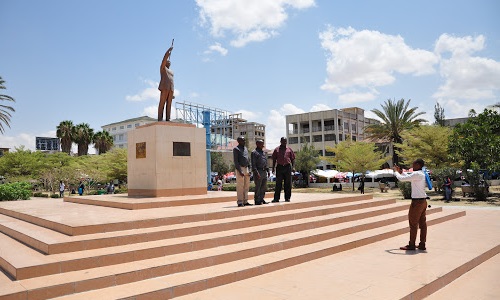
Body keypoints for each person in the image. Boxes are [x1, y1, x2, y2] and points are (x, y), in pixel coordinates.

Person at [393, 158, 428, 251]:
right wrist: (401, 172)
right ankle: (422, 244)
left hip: (417, 203)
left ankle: (411, 244)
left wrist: (396, 172)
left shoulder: (417, 174)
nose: (412, 166)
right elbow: (408, 176)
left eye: (414, 164)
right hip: (423, 201)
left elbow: (402, 179)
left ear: (418, 165)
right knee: (422, 224)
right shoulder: (420, 174)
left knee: (413, 224)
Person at [271, 137, 295, 203]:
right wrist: (273, 168)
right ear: (280, 141)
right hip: (279, 167)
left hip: (287, 167)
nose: (284, 142)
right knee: (278, 184)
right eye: (283, 141)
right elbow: (274, 159)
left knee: (288, 183)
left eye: (285, 141)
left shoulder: (289, 149)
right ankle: (276, 198)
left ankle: (287, 198)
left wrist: (293, 167)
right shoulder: (277, 149)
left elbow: (293, 159)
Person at [158, 40, 175, 121]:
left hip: (171, 89)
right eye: (167, 61)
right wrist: (169, 50)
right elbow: (164, 59)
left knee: (169, 104)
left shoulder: (171, 71)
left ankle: (168, 118)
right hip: (165, 87)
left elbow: (172, 81)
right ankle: (160, 118)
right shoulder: (163, 68)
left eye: (169, 61)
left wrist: (173, 92)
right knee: (162, 103)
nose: (169, 61)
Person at [233, 136, 251, 207]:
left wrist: (249, 169)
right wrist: (240, 171)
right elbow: (236, 161)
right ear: (239, 141)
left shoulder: (245, 148)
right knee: (240, 186)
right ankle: (240, 201)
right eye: (243, 140)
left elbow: (248, 159)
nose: (244, 141)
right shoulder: (236, 149)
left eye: (244, 140)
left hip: (246, 168)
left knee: (246, 185)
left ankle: (245, 200)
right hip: (240, 168)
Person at [251, 139, 269, 205]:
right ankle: (257, 200)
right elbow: (253, 164)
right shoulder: (254, 152)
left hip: (264, 171)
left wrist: (268, 170)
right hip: (258, 171)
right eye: (261, 144)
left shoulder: (263, 152)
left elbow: (265, 161)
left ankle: (262, 199)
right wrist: (256, 172)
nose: (263, 145)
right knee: (258, 186)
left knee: (263, 186)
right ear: (257, 144)